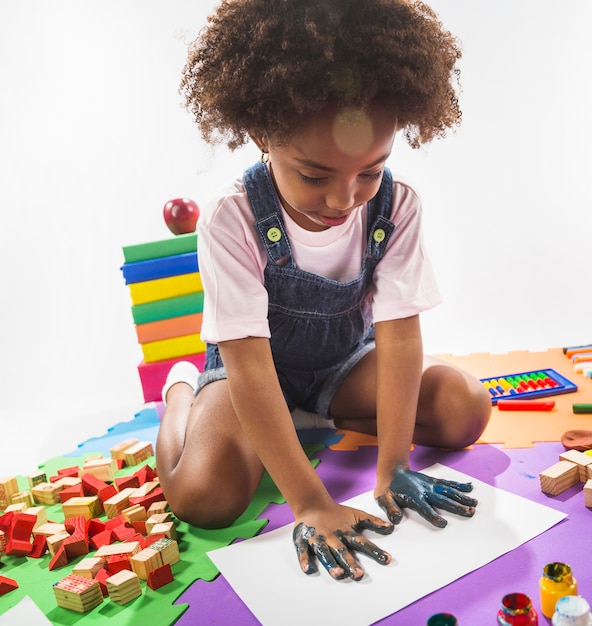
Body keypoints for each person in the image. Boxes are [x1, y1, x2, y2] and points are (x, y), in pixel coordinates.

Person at [156, 0, 492, 582]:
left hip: (343, 364)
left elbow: (399, 334)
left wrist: (392, 466)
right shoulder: (231, 219)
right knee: (204, 498)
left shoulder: (397, 207)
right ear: (262, 132)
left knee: (465, 408)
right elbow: (251, 367)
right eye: (314, 175)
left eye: (370, 170)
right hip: (253, 375)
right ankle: (181, 395)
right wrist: (311, 502)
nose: (344, 199)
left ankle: (314, 420)